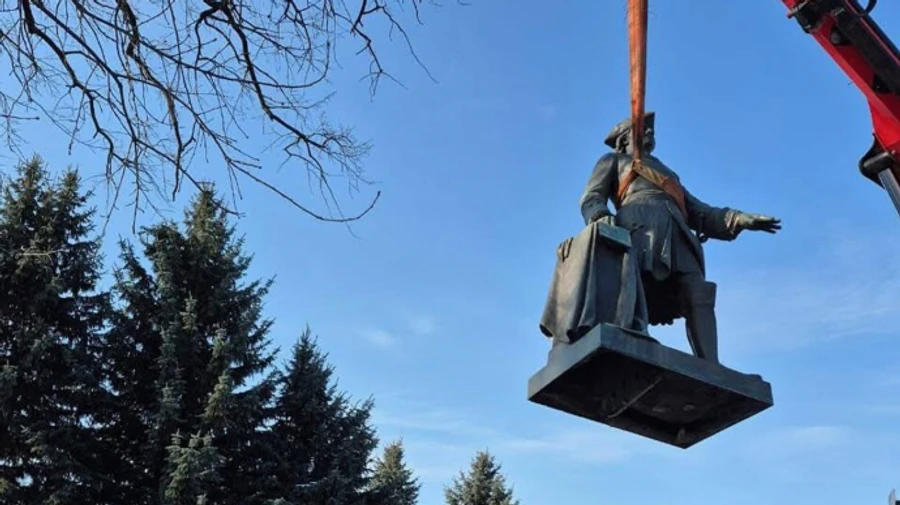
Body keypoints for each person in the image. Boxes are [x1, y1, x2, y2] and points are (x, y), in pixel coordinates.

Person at [579, 112, 781, 364]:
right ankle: (633, 341)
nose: (650, 133)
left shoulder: (669, 174)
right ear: (623, 139)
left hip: (678, 233)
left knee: (698, 293)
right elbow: (591, 197)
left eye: (652, 130)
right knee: (633, 287)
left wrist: (738, 218)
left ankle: (710, 364)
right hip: (638, 229)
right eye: (643, 129)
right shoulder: (612, 160)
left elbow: (699, 211)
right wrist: (599, 214)